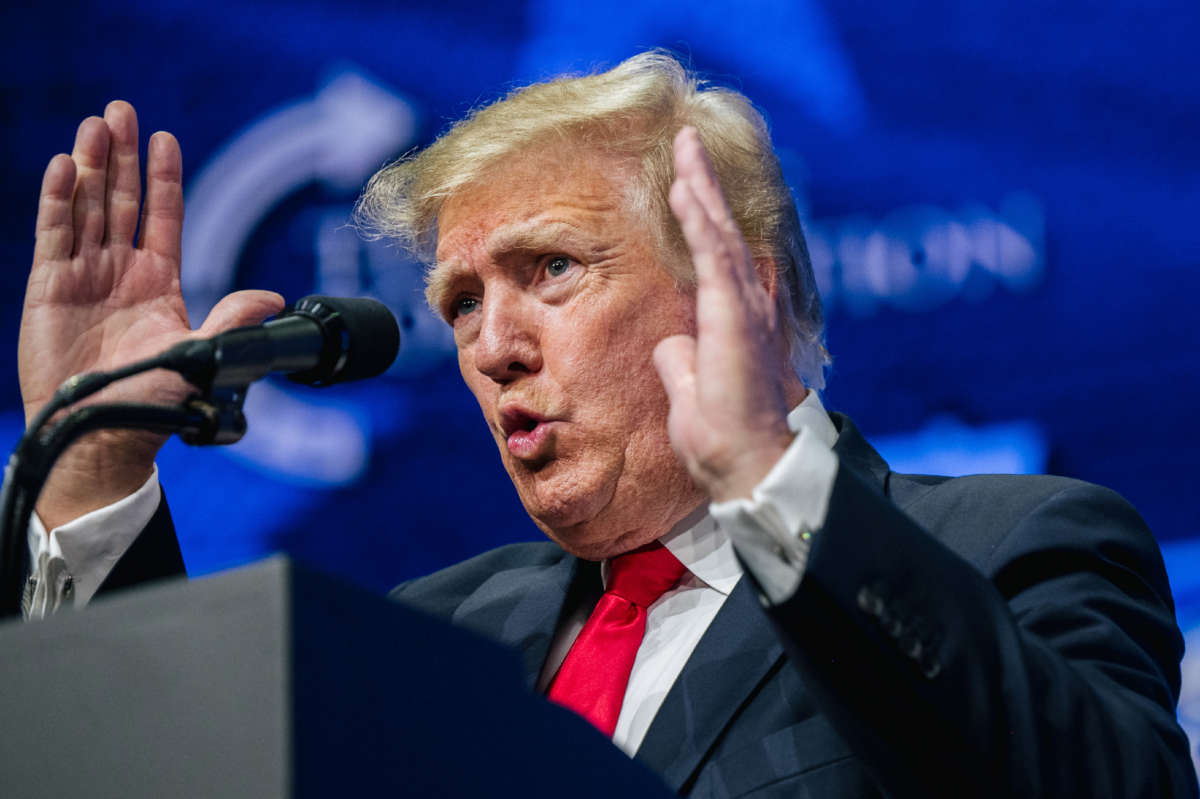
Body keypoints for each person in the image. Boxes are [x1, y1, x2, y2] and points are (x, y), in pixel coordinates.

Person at [17, 52, 1198, 796]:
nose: (491, 344)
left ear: (745, 289)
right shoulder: (426, 638)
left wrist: (766, 479)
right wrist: (95, 478)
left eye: (552, 269)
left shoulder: (1016, 546)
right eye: (464, 302)